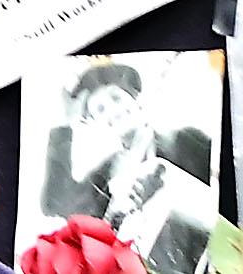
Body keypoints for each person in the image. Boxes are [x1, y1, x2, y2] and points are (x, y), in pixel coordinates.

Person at [41, 60, 212, 274]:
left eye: (116, 98)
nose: (113, 110)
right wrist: (64, 126)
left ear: (135, 99)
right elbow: (56, 204)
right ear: (97, 124)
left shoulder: (184, 140)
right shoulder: (103, 177)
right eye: (100, 109)